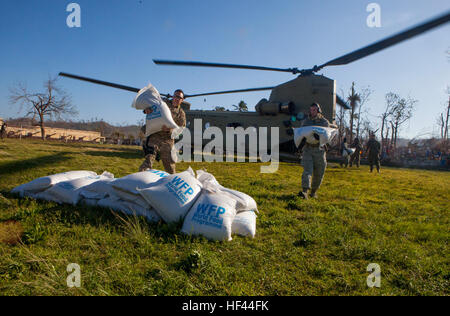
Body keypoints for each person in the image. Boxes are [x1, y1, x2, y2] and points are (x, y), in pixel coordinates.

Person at [139, 89, 186, 174]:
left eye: (179, 97)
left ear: (182, 100)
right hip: (154, 135)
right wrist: (146, 110)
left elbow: (180, 129)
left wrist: (170, 130)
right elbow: (149, 105)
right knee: (149, 159)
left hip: (167, 140)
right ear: (172, 96)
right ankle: (139, 179)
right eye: (175, 96)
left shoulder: (181, 114)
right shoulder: (162, 103)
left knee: (170, 166)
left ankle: (172, 182)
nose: (176, 98)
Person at [297, 103, 331, 199]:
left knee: (319, 171)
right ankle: (304, 191)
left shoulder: (324, 122)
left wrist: (320, 137)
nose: (312, 112)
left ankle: (313, 191)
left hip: (319, 150)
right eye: (311, 110)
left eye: (314, 110)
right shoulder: (305, 122)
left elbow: (328, 136)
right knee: (307, 170)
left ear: (318, 110)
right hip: (308, 149)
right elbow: (301, 134)